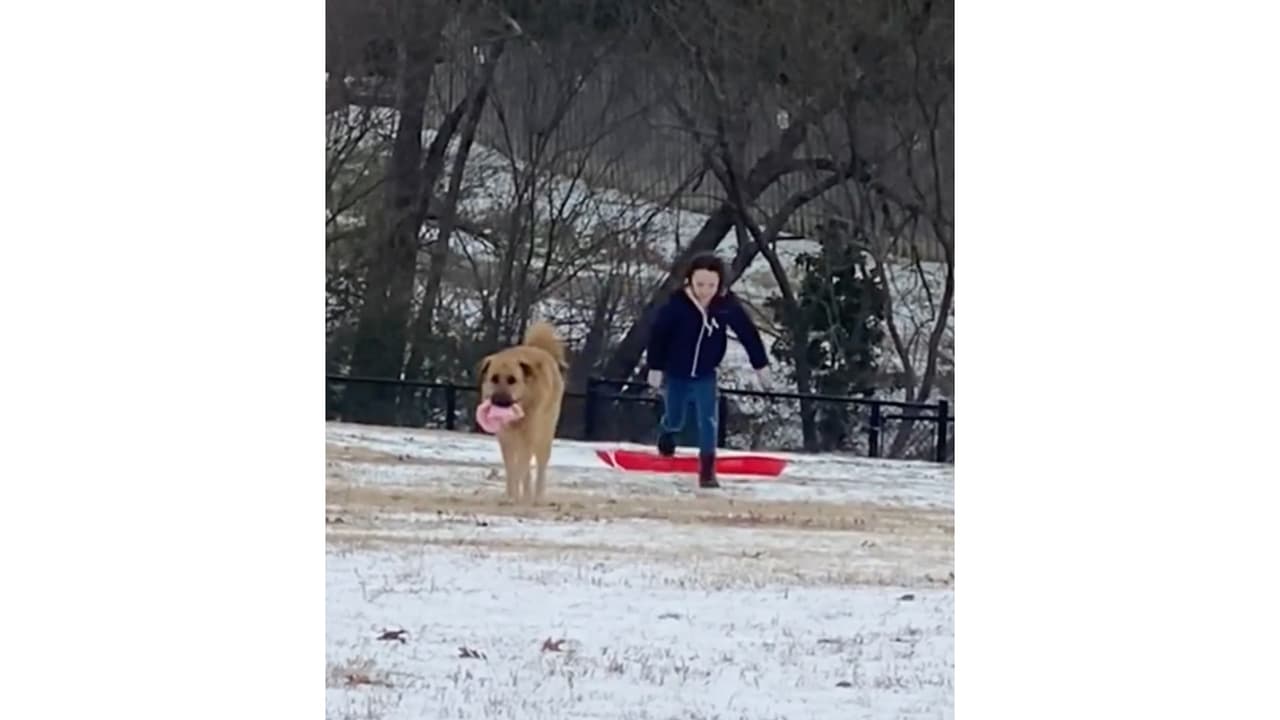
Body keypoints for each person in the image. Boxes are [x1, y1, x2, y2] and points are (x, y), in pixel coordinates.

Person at [645, 252, 770, 488]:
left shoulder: (726, 305)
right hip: (677, 371)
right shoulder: (677, 305)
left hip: (706, 372)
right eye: (700, 284)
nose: (705, 290)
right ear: (689, 280)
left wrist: (760, 364)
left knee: (708, 419)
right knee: (676, 418)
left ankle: (707, 471)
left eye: (711, 285)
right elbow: (658, 335)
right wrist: (656, 366)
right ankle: (668, 432)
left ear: (719, 283)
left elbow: (747, 332)